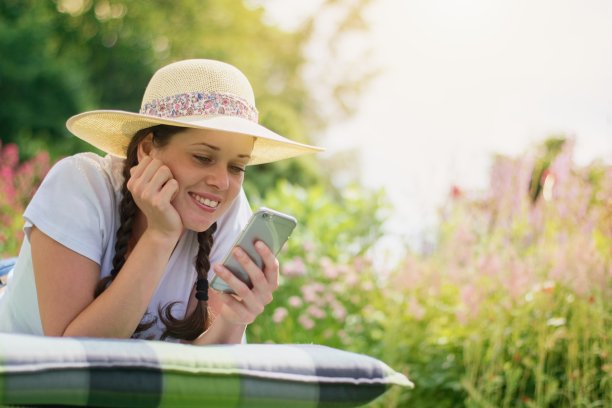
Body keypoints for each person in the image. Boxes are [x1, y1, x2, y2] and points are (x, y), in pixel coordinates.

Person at [0, 59, 322, 343]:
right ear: (147, 150)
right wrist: (160, 236)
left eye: (237, 166)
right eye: (202, 157)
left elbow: (205, 372)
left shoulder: (228, 212)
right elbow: (73, 357)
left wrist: (233, 319)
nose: (222, 182)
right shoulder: (80, 185)